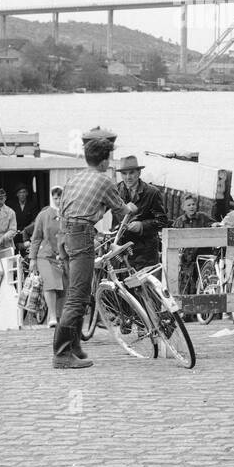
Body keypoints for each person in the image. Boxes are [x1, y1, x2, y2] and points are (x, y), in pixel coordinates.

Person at [51, 138, 137, 369]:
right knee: (77, 298)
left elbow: (65, 210)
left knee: (76, 292)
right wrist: (131, 208)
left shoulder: (74, 178)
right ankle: (61, 353)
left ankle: (75, 346)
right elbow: (122, 212)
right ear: (104, 160)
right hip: (81, 235)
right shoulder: (104, 180)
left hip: (65, 234)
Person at [109, 156, 169, 268]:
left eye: (131, 173)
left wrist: (142, 225)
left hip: (145, 253)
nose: (128, 177)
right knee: (118, 284)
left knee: (145, 285)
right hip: (120, 251)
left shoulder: (152, 192)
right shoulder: (114, 191)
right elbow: (97, 211)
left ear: (139, 172)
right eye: (124, 174)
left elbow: (163, 221)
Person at [28, 186, 66, 327]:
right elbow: (36, 237)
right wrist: (32, 258)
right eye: (55, 197)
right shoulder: (44, 215)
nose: (57, 200)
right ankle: (52, 316)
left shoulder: (69, 214)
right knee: (50, 283)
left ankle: (59, 316)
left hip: (63, 255)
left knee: (63, 287)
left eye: (60, 197)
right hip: (45, 255)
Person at [171, 193, 216, 296]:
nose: (191, 207)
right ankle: (186, 309)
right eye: (188, 205)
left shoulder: (203, 217)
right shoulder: (179, 222)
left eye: (193, 204)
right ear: (183, 207)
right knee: (186, 283)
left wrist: (214, 225)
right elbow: (174, 237)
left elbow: (211, 224)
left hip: (201, 258)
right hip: (187, 259)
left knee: (202, 282)